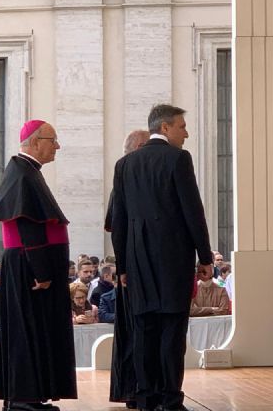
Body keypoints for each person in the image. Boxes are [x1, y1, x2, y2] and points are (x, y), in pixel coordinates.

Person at [111, 105, 213, 411]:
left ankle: (145, 397)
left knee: (143, 330)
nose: (187, 132)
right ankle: (169, 399)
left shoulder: (125, 164)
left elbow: (119, 220)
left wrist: (123, 266)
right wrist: (205, 257)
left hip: (137, 261)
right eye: (182, 126)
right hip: (173, 259)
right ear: (165, 128)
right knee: (171, 329)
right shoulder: (178, 159)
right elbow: (192, 211)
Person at [0, 119, 76, 411]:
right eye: (53, 140)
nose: (57, 146)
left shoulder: (26, 171)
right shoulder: (22, 173)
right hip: (29, 268)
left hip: (29, 265)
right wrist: (41, 270)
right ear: (36, 141)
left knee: (35, 331)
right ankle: (23, 399)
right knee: (27, 331)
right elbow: (28, 225)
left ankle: (29, 395)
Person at [104, 128, 149, 410]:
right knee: (133, 332)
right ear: (136, 148)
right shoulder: (124, 178)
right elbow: (115, 225)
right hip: (131, 270)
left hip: (137, 267)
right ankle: (132, 390)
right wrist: (123, 267)